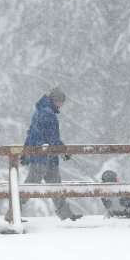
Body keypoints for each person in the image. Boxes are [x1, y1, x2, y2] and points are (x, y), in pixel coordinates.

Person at [8, 87, 81, 222]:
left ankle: (66, 216)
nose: (62, 105)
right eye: (61, 101)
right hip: (41, 157)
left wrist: (25, 151)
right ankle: (12, 214)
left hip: (47, 156)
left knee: (55, 185)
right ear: (56, 100)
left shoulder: (41, 111)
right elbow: (51, 137)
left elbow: (31, 133)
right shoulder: (47, 114)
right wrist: (62, 150)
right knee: (31, 186)